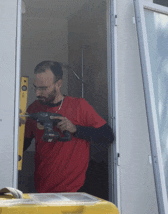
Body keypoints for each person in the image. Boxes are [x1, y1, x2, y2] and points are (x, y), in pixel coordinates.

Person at [23, 61, 114, 193]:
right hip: (42, 189)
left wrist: (75, 129)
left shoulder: (79, 106)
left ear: (58, 84)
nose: (37, 93)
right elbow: (22, 145)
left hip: (74, 190)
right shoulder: (34, 108)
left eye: (43, 88)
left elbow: (107, 135)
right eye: (35, 87)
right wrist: (15, 128)